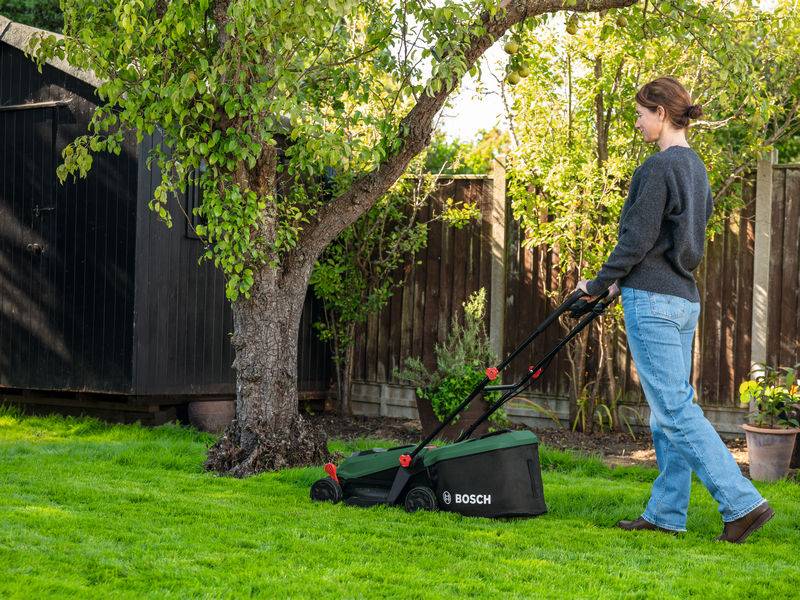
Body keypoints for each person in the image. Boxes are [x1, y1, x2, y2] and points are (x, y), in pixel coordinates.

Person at [576, 77, 772, 543]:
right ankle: (666, 512)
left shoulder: (659, 168)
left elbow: (637, 239)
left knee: (675, 409)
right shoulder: (696, 169)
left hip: (653, 301)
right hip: (683, 299)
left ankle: (742, 503)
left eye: (641, 114)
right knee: (666, 411)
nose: (637, 122)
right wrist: (619, 282)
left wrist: (598, 284)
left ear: (661, 113)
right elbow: (674, 239)